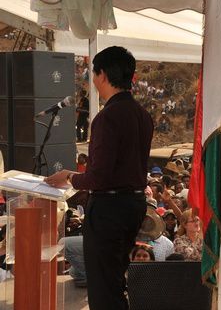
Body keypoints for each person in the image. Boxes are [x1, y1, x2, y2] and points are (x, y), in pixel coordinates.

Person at [45, 46, 153, 310]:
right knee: (115, 282)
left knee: (104, 289)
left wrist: (69, 176)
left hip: (109, 210)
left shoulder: (107, 118)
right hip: (133, 205)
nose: (92, 80)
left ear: (102, 74)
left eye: (93, 73)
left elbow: (99, 177)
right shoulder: (143, 115)